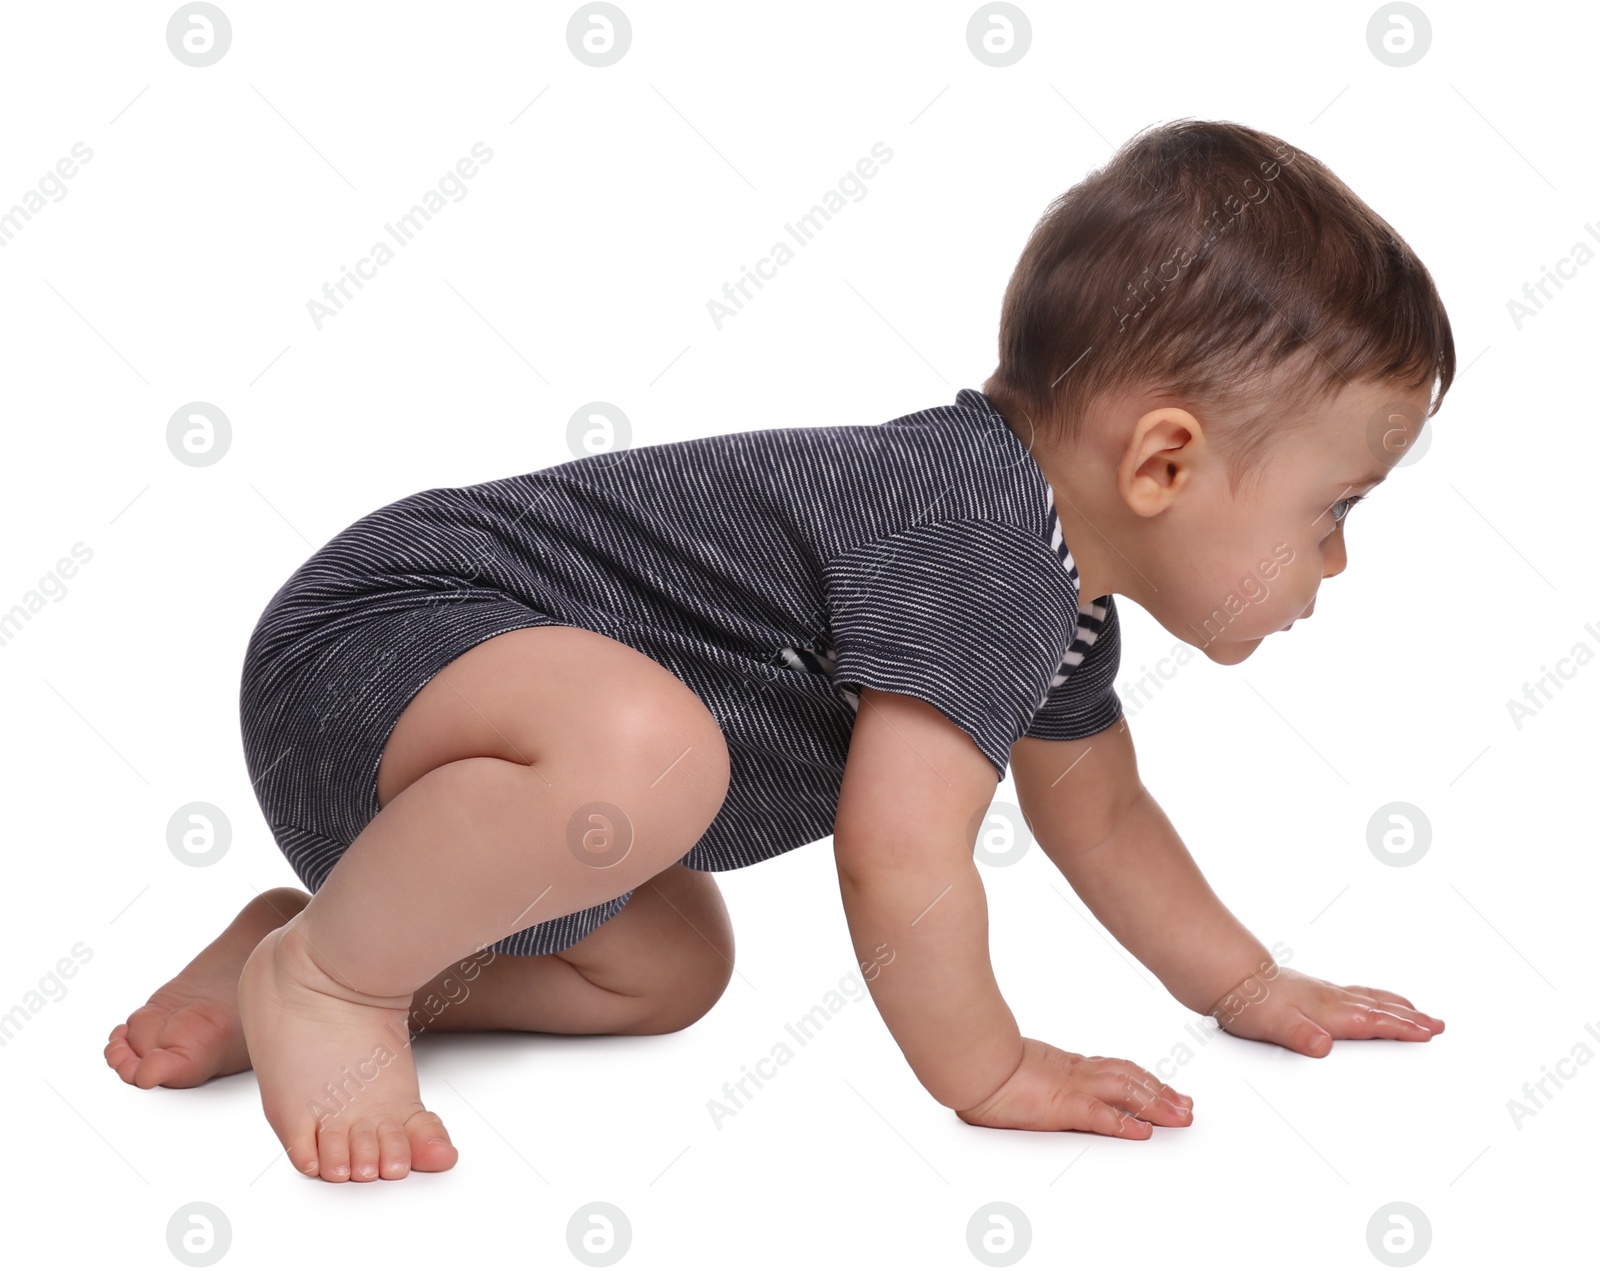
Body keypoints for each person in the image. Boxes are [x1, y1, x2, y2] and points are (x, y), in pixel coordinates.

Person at [105, 117, 1450, 1183]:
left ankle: (321, 942)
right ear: (1163, 461)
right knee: (648, 755)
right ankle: (335, 983)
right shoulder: (972, 544)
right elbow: (898, 850)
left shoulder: (1053, 596)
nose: (1337, 558)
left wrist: (1247, 983)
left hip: (449, 789)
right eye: (1333, 511)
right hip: (382, 643)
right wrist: (988, 1069)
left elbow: (1102, 813)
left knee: (669, 964)